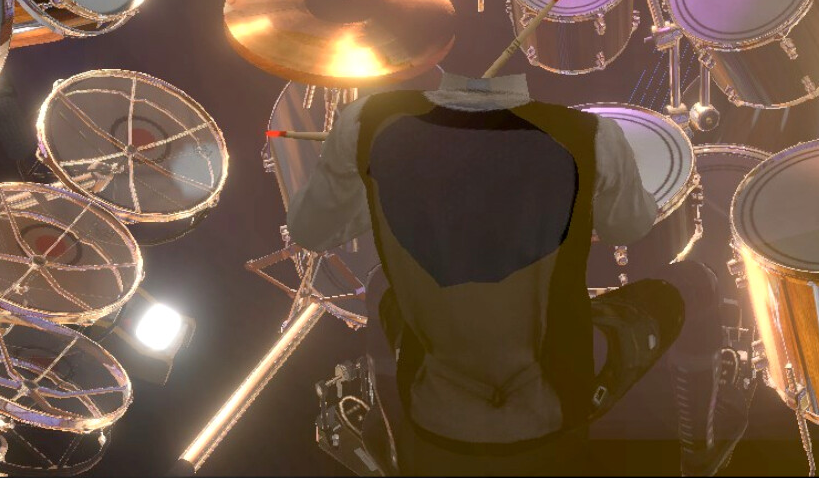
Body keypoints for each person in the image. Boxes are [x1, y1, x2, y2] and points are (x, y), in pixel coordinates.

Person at [287, 71, 695, 475]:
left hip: (435, 413)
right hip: (551, 410)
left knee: (381, 285)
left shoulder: (365, 120)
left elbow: (309, 230)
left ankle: (392, 428)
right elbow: (629, 227)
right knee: (692, 284)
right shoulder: (590, 134)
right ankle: (702, 450)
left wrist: (391, 186)